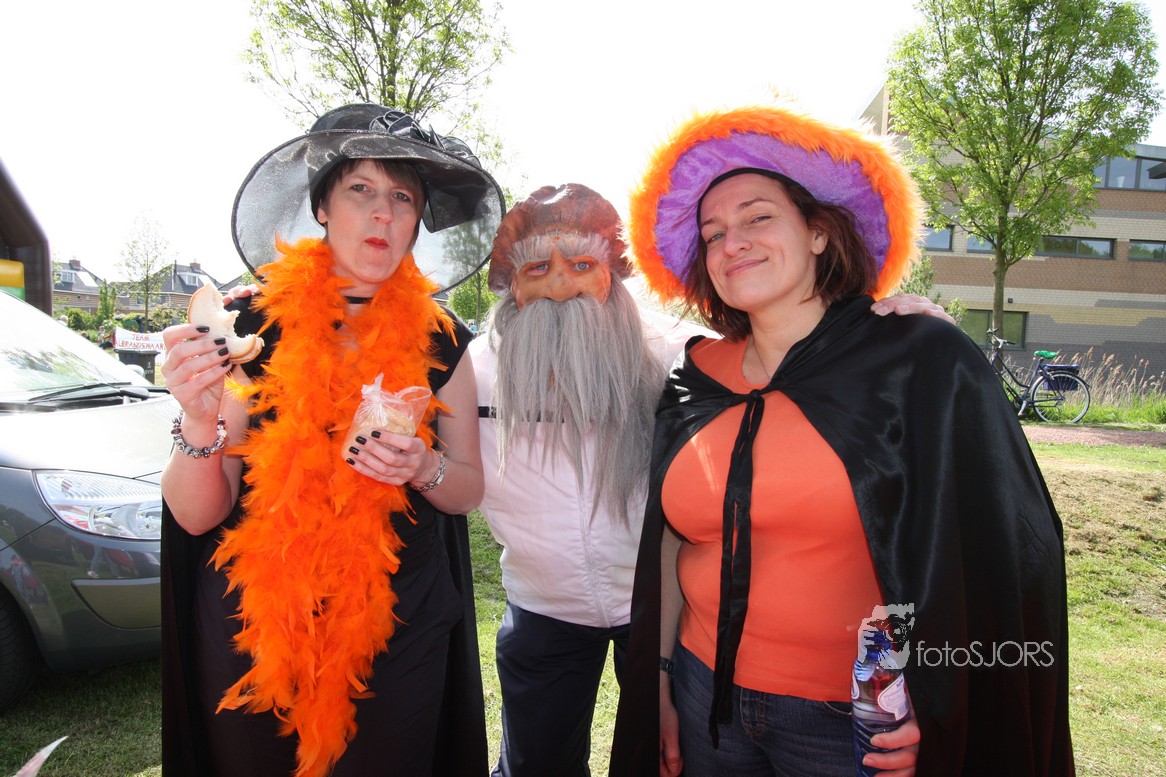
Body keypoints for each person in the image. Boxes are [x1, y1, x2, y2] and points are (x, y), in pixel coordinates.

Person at [611, 105, 1075, 776]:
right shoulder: (693, 375)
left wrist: (942, 702)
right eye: (712, 234)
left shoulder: (913, 360)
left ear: (820, 233)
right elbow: (672, 540)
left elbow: (1002, 555)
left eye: (757, 218)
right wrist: (656, 675)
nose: (731, 243)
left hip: (845, 725)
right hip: (701, 696)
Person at [473, 183, 954, 777]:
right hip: (560, 616)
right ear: (510, 285)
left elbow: (948, 541)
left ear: (614, 275)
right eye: (536, 269)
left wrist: (898, 327)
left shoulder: (679, 358)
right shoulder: (474, 370)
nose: (559, 286)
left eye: (580, 266)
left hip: (684, 627)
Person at [159, 104, 504, 777]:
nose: (382, 214)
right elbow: (197, 515)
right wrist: (199, 422)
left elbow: (467, 489)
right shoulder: (247, 328)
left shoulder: (444, 343)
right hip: (258, 632)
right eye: (360, 190)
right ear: (322, 207)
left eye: (402, 198)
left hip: (395, 633)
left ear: (417, 220)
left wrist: (424, 465)